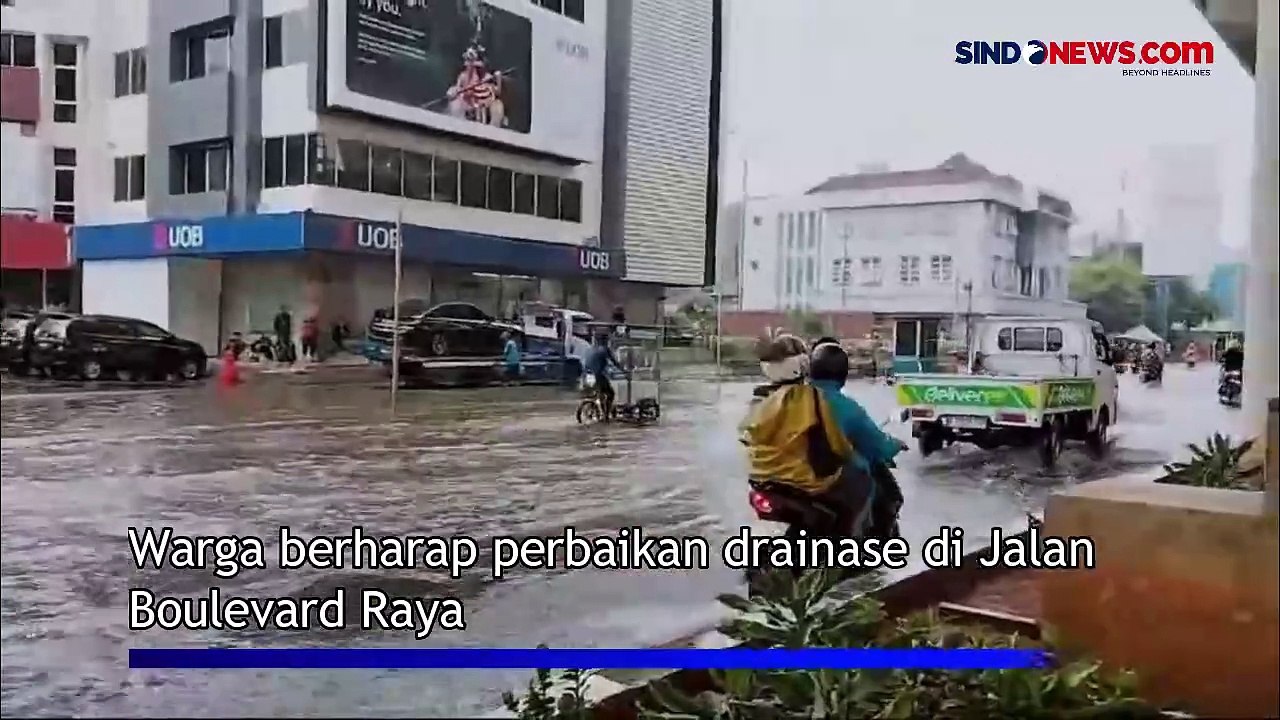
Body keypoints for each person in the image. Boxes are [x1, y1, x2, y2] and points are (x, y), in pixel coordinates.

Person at [807, 341, 907, 536]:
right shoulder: (846, 406)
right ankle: (857, 544)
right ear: (843, 374)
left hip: (793, 473)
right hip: (831, 474)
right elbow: (876, 443)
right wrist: (894, 445)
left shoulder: (792, 399)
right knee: (883, 495)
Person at [583, 333, 624, 419]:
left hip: (587, 376)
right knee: (610, 394)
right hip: (598, 375)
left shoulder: (590, 349)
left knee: (599, 392)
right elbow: (614, 362)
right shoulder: (604, 349)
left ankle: (598, 407)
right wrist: (623, 369)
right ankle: (606, 415)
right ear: (605, 341)